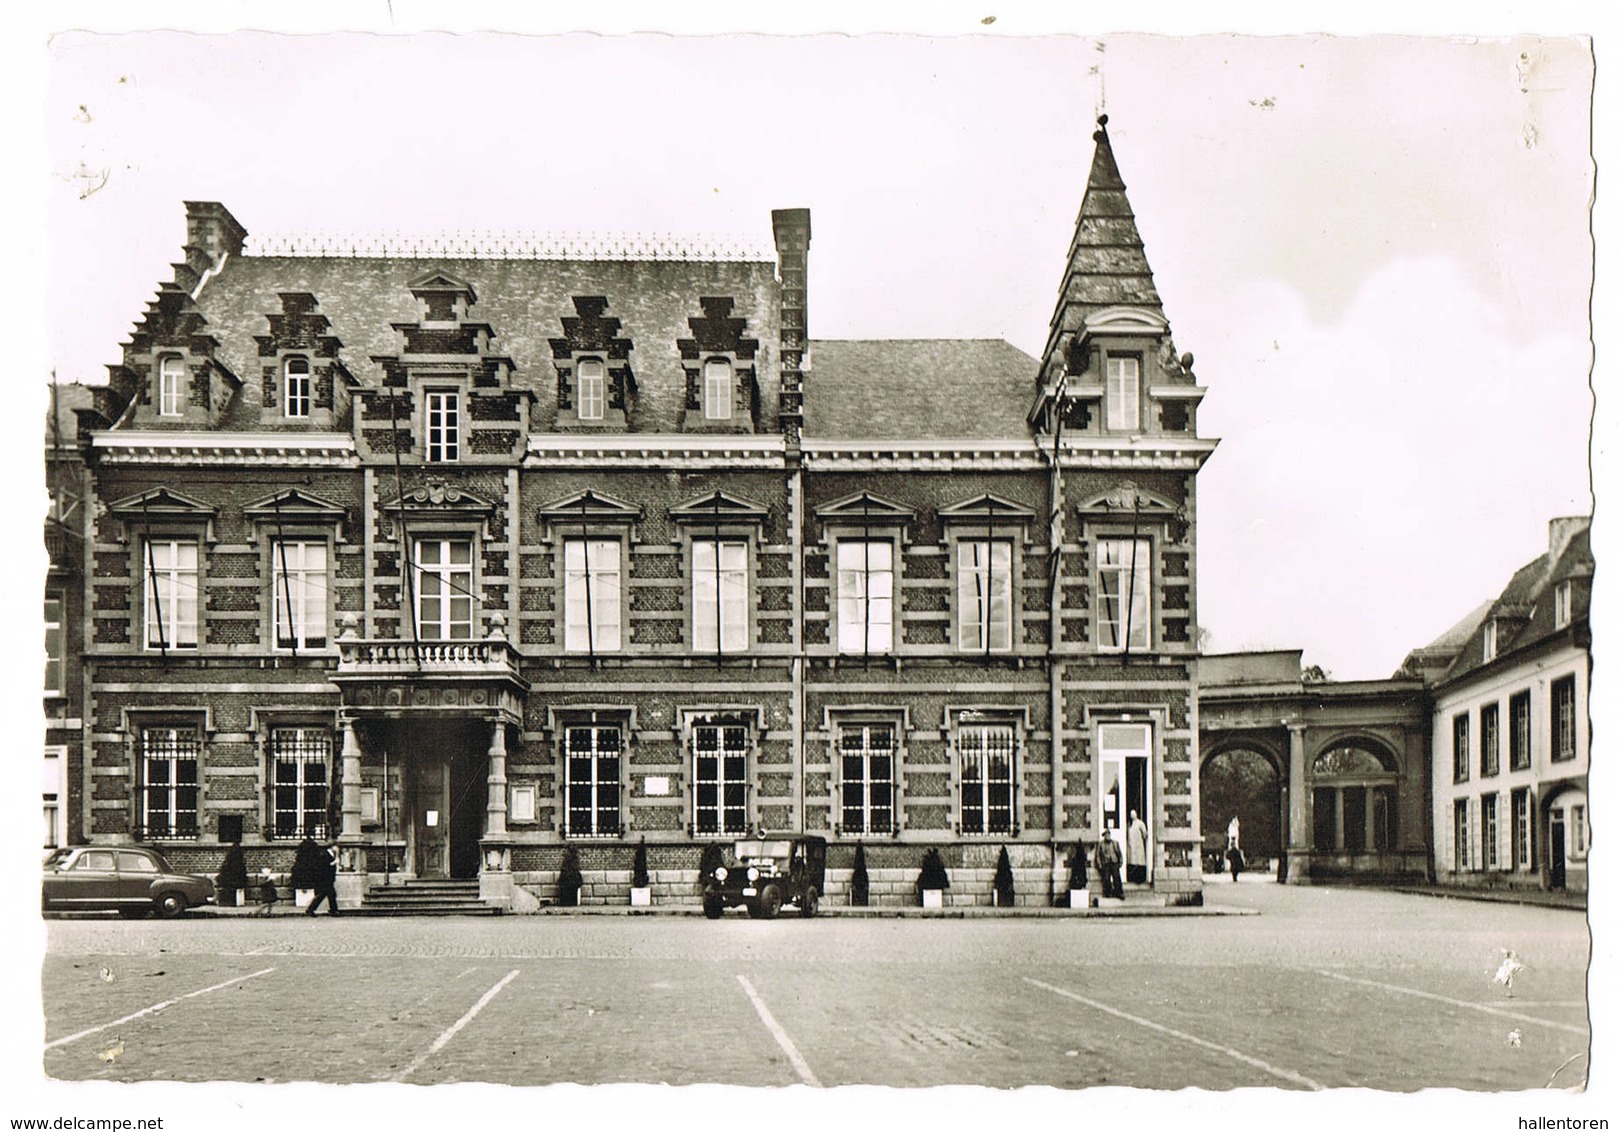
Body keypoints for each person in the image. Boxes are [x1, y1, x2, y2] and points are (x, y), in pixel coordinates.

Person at [306, 840, 340, 915]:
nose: (337, 849)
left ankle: (333, 910)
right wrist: (333, 863)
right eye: (336, 847)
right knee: (324, 895)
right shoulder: (324, 854)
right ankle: (311, 909)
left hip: (329, 878)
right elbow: (322, 866)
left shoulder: (333, 854)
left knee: (330, 895)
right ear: (332, 846)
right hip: (325, 878)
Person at [1095, 824, 1124, 898]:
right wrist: (1099, 865)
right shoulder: (1101, 844)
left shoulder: (1115, 843)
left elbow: (1119, 853)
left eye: (1108, 834)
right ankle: (1108, 893)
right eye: (1106, 835)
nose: (1107, 836)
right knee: (1106, 879)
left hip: (1114, 862)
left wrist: (1120, 862)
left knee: (1116, 878)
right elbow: (1098, 855)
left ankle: (1119, 893)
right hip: (1106, 863)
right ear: (1104, 836)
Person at [1126, 809, 1148, 885]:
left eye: (1133, 814)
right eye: (1131, 814)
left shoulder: (1140, 823)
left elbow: (1145, 834)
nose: (1132, 815)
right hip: (1131, 846)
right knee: (1132, 861)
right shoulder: (1129, 824)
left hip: (1138, 845)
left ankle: (1139, 879)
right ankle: (1132, 878)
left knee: (1139, 861)